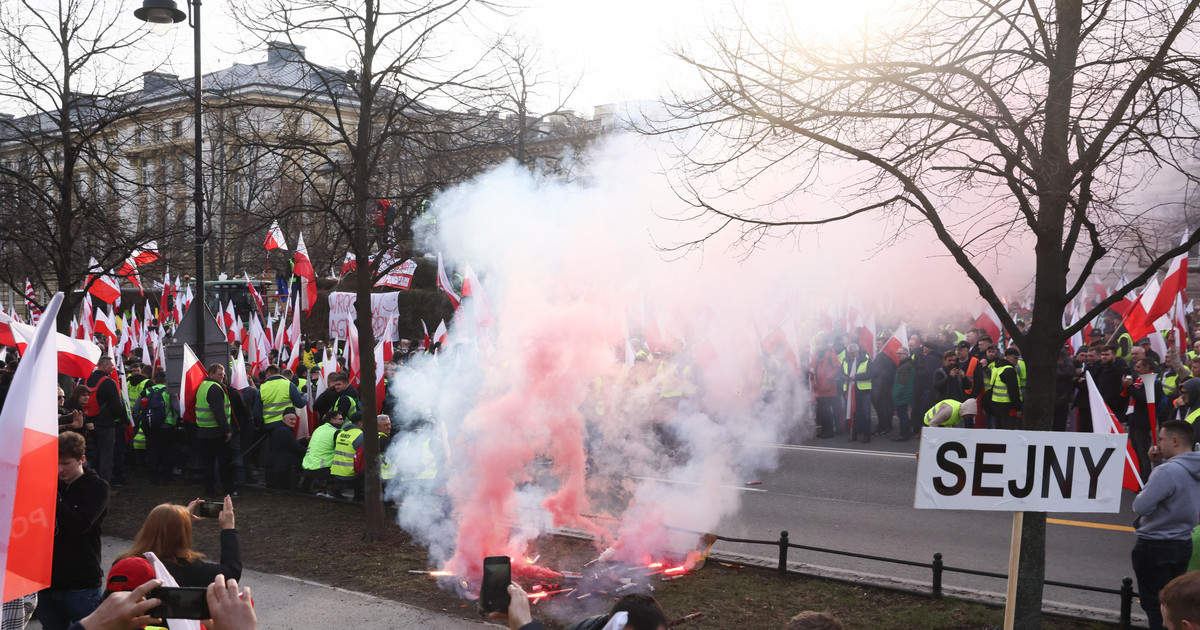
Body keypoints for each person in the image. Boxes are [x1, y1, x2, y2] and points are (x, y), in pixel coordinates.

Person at [1131, 420, 1200, 630]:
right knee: (1176, 605)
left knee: (1158, 607)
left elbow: (1141, 506)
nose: (1158, 444)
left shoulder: (1167, 471)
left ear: (1175, 440)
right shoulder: (1195, 468)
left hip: (1155, 545)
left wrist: (1156, 470)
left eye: (1161, 439)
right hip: (1183, 542)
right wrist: (1156, 465)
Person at [36, 433, 110, 630]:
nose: (60, 469)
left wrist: (51, 499)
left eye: (66, 463)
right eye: (56, 463)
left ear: (82, 460)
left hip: (80, 584)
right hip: (46, 583)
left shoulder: (97, 487)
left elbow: (81, 524)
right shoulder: (52, 484)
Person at [115, 496, 241, 586]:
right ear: (182, 535)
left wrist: (179, 518)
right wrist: (229, 529)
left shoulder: (122, 562)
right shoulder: (183, 567)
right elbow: (231, 573)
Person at [83, 357, 129, 484]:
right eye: (112, 366)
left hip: (88, 421)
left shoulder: (86, 379)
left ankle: (92, 482)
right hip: (106, 424)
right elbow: (116, 405)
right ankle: (104, 486)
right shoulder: (108, 382)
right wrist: (123, 420)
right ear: (104, 366)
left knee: (94, 454)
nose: (114, 368)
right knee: (106, 456)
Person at [196, 364, 237, 498]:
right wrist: (227, 430)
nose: (223, 377)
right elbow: (219, 412)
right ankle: (228, 491)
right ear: (211, 374)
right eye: (220, 374)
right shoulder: (215, 388)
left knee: (208, 463)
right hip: (216, 433)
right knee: (224, 463)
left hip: (203, 431)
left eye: (224, 374)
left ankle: (209, 490)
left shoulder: (203, 386)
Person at [301, 410, 344, 495]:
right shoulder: (335, 432)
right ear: (332, 420)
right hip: (322, 469)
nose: (343, 421)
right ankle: (333, 492)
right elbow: (340, 450)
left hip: (307, 466)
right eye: (340, 419)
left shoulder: (319, 429)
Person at [267, 408, 306, 490]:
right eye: (291, 419)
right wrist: (310, 452)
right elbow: (295, 446)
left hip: (279, 462)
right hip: (283, 464)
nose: (294, 422)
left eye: (295, 419)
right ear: (284, 419)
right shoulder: (285, 431)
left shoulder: (281, 428)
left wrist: (304, 440)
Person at [842, 343, 872, 443]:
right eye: (849, 353)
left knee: (865, 414)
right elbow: (841, 372)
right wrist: (844, 376)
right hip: (851, 391)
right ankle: (853, 434)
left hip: (864, 391)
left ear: (857, 351)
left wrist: (857, 377)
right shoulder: (845, 361)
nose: (851, 355)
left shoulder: (865, 360)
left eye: (853, 353)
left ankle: (866, 435)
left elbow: (870, 374)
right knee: (853, 413)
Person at [891, 347, 916, 441]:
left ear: (906, 355)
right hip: (906, 393)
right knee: (903, 414)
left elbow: (902, 382)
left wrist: (896, 394)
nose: (898, 355)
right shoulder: (907, 364)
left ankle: (903, 435)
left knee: (902, 415)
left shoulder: (905, 366)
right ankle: (906, 432)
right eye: (897, 353)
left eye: (900, 353)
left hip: (902, 394)